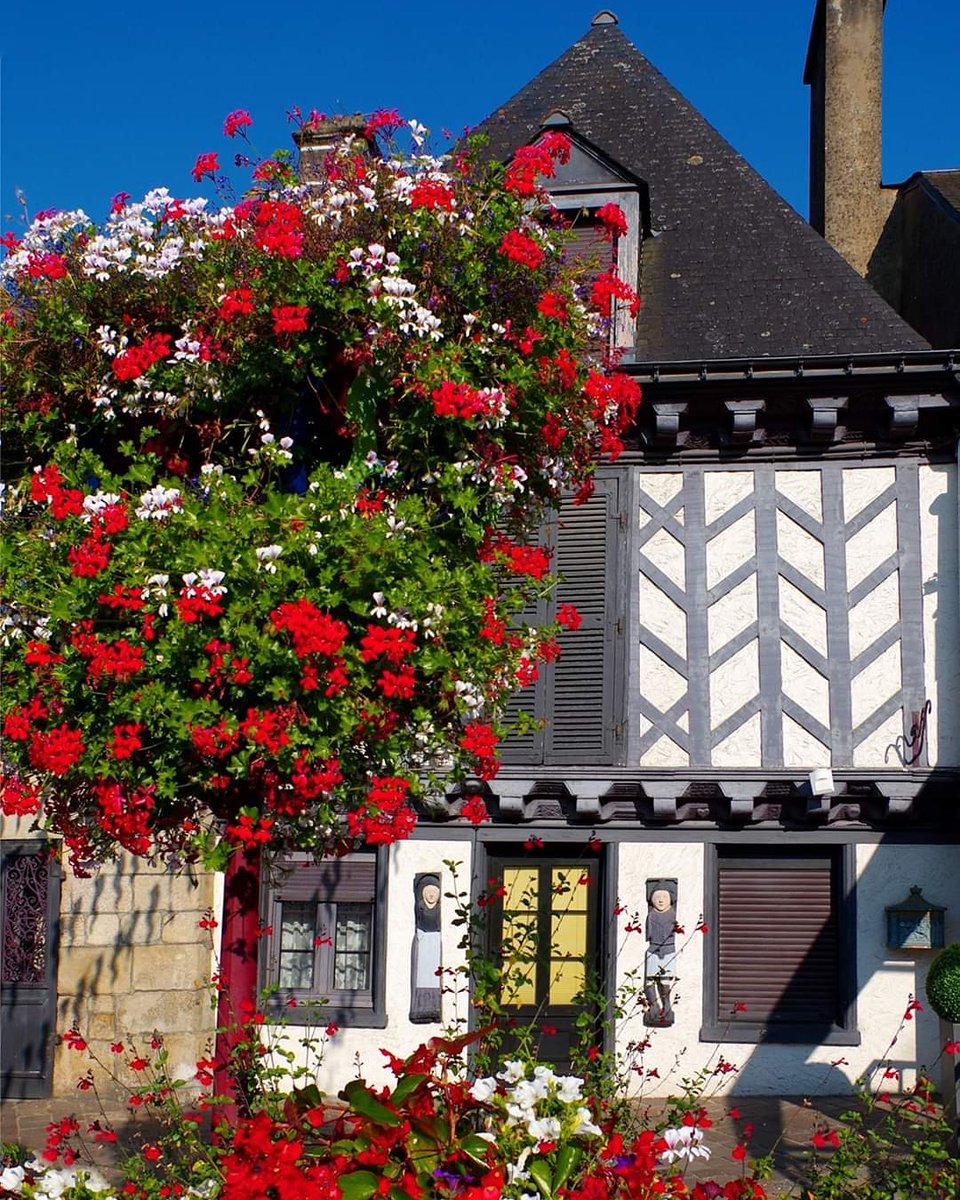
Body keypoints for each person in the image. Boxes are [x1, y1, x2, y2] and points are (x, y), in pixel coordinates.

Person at [410, 873, 442, 1022]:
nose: (431, 895)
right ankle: (421, 1008)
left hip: (435, 943)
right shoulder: (420, 907)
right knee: (422, 974)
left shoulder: (439, 909)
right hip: (423, 942)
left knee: (434, 976)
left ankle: (434, 1008)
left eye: (435, 891)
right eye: (428, 891)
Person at [644, 883, 677, 1026]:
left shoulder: (672, 914)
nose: (661, 900)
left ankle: (667, 1005)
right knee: (649, 979)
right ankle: (654, 1005)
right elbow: (649, 934)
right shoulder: (651, 915)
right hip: (653, 949)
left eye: (664, 897)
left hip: (668, 949)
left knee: (665, 979)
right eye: (657, 897)